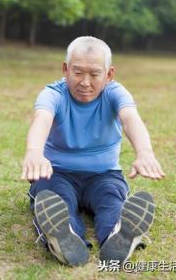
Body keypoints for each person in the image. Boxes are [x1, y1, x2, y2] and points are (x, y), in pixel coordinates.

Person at [21, 36, 165, 266]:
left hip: (104, 175)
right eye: (77, 73)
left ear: (109, 75)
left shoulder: (115, 93)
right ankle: (66, 236)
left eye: (94, 74)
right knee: (56, 200)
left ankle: (119, 235)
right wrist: (34, 152)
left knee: (111, 201)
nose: (85, 82)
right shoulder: (53, 94)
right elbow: (42, 119)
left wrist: (145, 152)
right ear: (66, 70)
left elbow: (130, 119)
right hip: (57, 173)